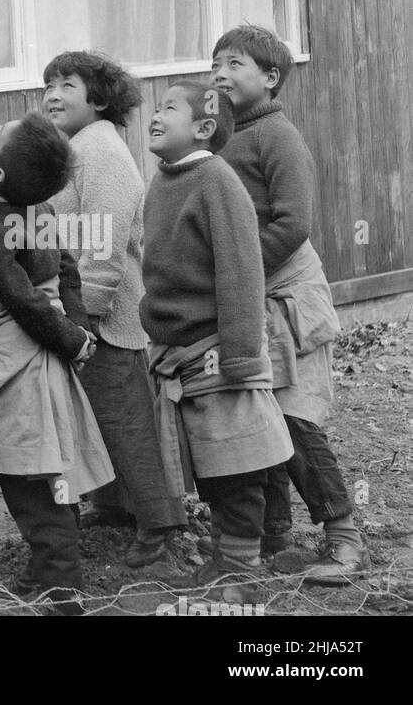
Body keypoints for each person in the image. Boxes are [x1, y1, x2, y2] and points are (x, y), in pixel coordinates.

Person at [211, 24, 364, 584]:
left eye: (234, 64)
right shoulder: (221, 138)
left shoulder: (277, 136)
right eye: (216, 65)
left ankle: (344, 536)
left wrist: (240, 275)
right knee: (257, 414)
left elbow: (294, 222)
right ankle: (273, 534)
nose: (220, 75)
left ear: (270, 78)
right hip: (247, 294)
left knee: (294, 420)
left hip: (288, 295)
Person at [140, 80, 293, 604]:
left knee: (237, 463)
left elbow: (241, 270)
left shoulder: (216, 180)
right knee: (209, 464)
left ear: (203, 127)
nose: (155, 116)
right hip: (176, 353)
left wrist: (243, 355)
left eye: (169, 109)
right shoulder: (162, 182)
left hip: (217, 351)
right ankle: (224, 559)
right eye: (156, 109)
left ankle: (242, 569)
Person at [0, 114, 112, 614]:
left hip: (17, 360)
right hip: (40, 350)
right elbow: (66, 270)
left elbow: (22, 300)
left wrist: (70, 339)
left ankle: (62, 592)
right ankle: (49, 571)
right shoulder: (37, 209)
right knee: (43, 470)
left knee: (29, 476)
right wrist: (79, 332)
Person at [42, 51, 188, 566]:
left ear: (100, 99)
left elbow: (104, 241)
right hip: (80, 315)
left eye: (67, 85)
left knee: (126, 421)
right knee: (96, 416)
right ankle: (116, 505)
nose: (53, 94)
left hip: (105, 319)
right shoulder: (76, 149)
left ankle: (161, 522)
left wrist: (86, 318)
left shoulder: (100, 150)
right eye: (49, 85)